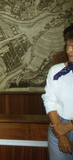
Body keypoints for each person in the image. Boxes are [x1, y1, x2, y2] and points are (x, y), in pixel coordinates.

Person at [42, 29, 73, 159]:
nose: (69, 51)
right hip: (57, 126)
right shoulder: (55, 70)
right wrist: (60, 132)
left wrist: (69, 126)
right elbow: (49, 100)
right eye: (68, 45)